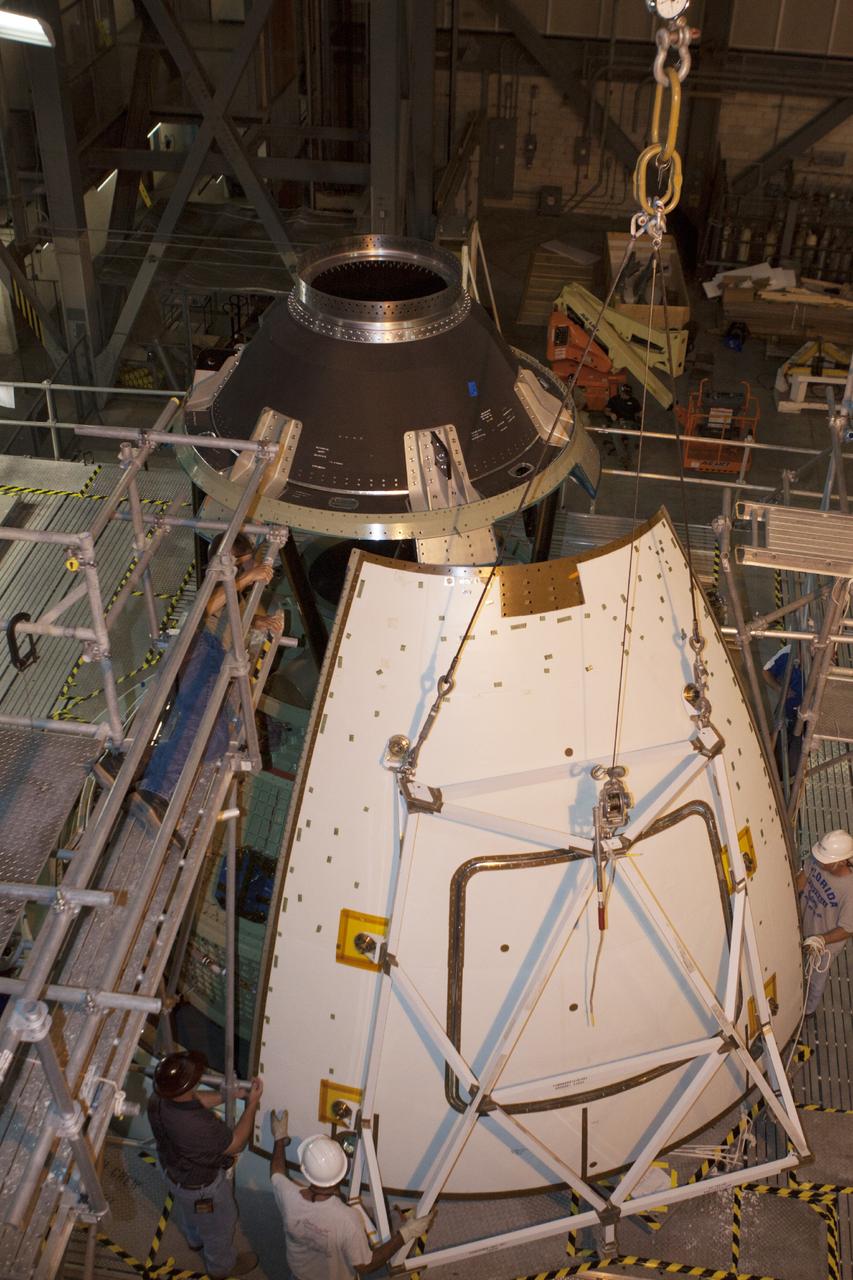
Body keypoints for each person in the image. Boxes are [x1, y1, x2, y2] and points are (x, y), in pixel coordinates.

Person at [128, 532, 283, 837]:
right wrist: (246, 578)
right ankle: (154, 792)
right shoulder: (219, 580)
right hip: (203, 650)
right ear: (236, 563)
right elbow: (208, 608)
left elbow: (230, 613)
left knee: (216, 740)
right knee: (199, 721)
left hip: (212, 652)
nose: (252, 563)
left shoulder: (231, 589)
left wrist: (256, 622)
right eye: (247, 560)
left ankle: (143, 777)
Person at [268, 1108, 436, 1278]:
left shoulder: (288, 1195)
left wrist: (279, 1139)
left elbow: (276, 1172)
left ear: (305, 1170)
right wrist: (406, 1233)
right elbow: (365, 1266)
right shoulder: (348, 1220)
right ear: (342, 1172)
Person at [148, 1051, 263, 1279]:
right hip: (202, 1189)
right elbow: (236, 1144)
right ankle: (222, 1268)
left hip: (173, 1173)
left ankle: (194, 1240)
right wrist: (252, 1104)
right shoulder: (198, 1126)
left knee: (189, 1212)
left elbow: (193, 1098)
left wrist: (226, 1096)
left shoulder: (159, 1098)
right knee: (220, 1227)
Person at [796, 829, 853, 1016]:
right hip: (803, 923)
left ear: (841, 861)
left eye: (825, 860)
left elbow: (847, 929)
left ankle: (809, 1010)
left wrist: (821, 939)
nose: (819, 862)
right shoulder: (818, 861)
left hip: (824, 945)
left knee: (815, 977)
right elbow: (803, 878)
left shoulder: (850, 890)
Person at [762, 643, 804, 778]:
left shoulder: (825, 656)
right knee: (775, 749)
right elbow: (766, 671)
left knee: (794, 763)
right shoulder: (788, 653)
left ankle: (787, 782)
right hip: (786, 711)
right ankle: (769, 774)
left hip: (805, 719)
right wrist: (781, 690)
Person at [605, 382, 641, 466]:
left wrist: (640, 415)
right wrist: (611, 414)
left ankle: (630, 456)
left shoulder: (634, 401)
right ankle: (623, 457)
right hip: (617, 421)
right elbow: (606, 410)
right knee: (614, 433)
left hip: (630, 422)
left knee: (633, 435)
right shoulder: (614, 399)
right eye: (625, 394)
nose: (627, 396)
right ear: (621, 392)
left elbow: (639, 413)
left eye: (628, 394)